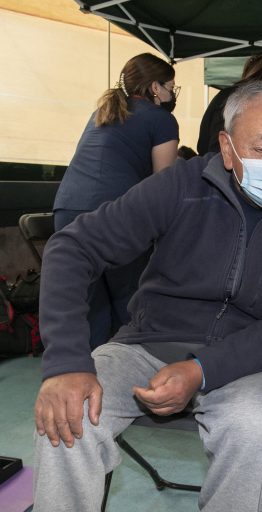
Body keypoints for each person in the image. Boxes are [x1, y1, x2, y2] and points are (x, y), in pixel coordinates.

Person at [33, 80, 262, 512]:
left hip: (249, 363)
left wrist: (201, 370)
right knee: (69, 415)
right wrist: (67, 362)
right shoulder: (181, 185)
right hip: (147, 345)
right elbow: (72, 248)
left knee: (254, 432)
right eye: (261, 147)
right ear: (227, 148)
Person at [52, 53, 180, 349]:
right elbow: (163, 184)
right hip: (114, 214)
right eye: (170, 87)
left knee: (90, 304)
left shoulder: (103, 112)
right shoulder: (161, 119)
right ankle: (127, 364)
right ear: (155, 87)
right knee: (129, 299)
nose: (172, 94)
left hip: (67, 210)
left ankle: (92, 367)